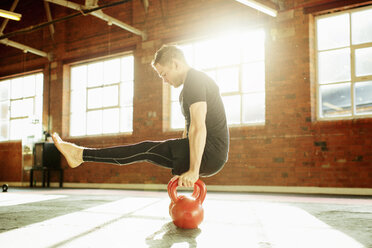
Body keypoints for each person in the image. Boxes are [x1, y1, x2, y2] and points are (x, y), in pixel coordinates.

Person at [52, 45, 229, 187]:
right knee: (145, 149)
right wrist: (184, 170)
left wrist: (193, 171)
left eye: (164, 74)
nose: (164, 80)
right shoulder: (187, 89)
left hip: (210, 153)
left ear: (176, 64)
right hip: (207, 152)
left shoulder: (195, 81)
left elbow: (199, 127)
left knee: (144, 149)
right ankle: (81, 155)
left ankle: (80, 155)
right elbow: (189, 130)